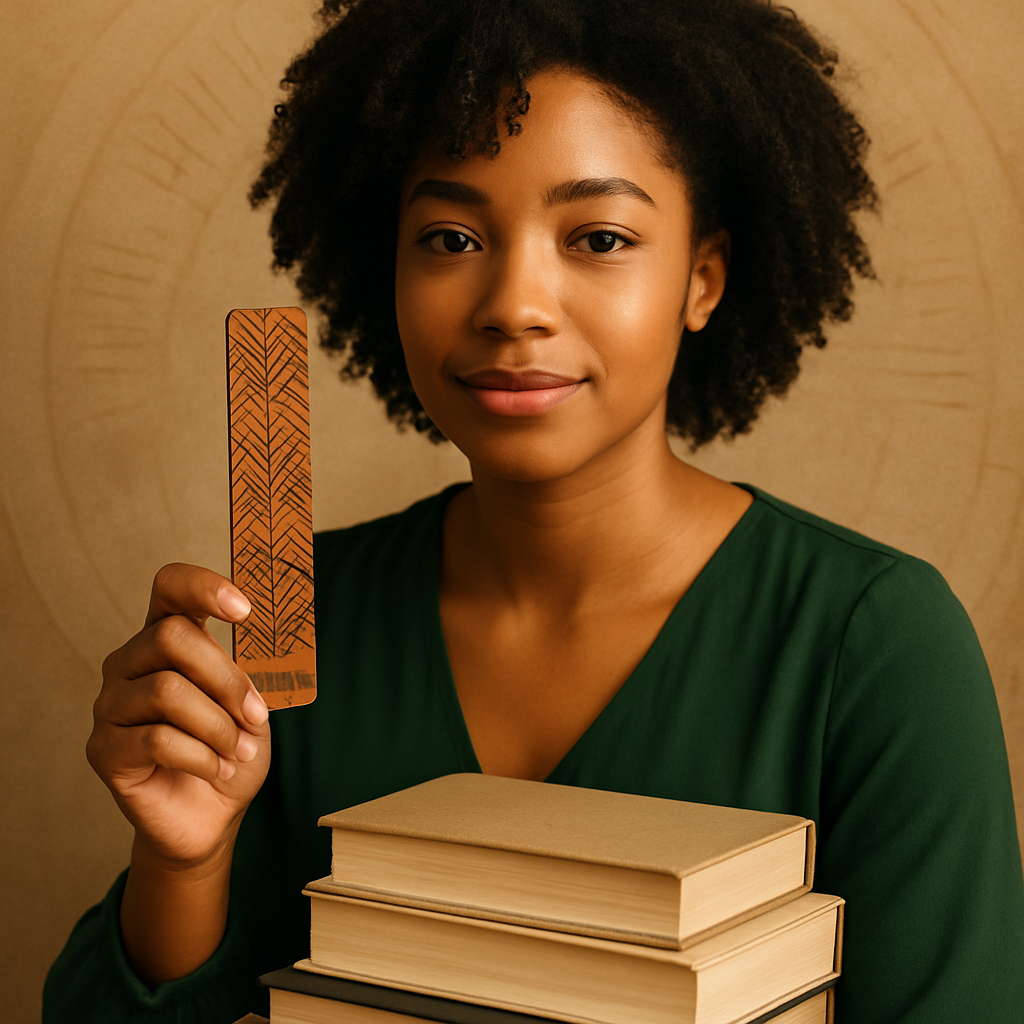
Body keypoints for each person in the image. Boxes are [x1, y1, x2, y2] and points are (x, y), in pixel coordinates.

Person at [44, 1, 1024, 1021]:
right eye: (451, 236)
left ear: (702, 278)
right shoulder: (287, 629)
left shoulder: (875, 645)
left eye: (598, 236)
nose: (514, 301)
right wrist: (182, 860)